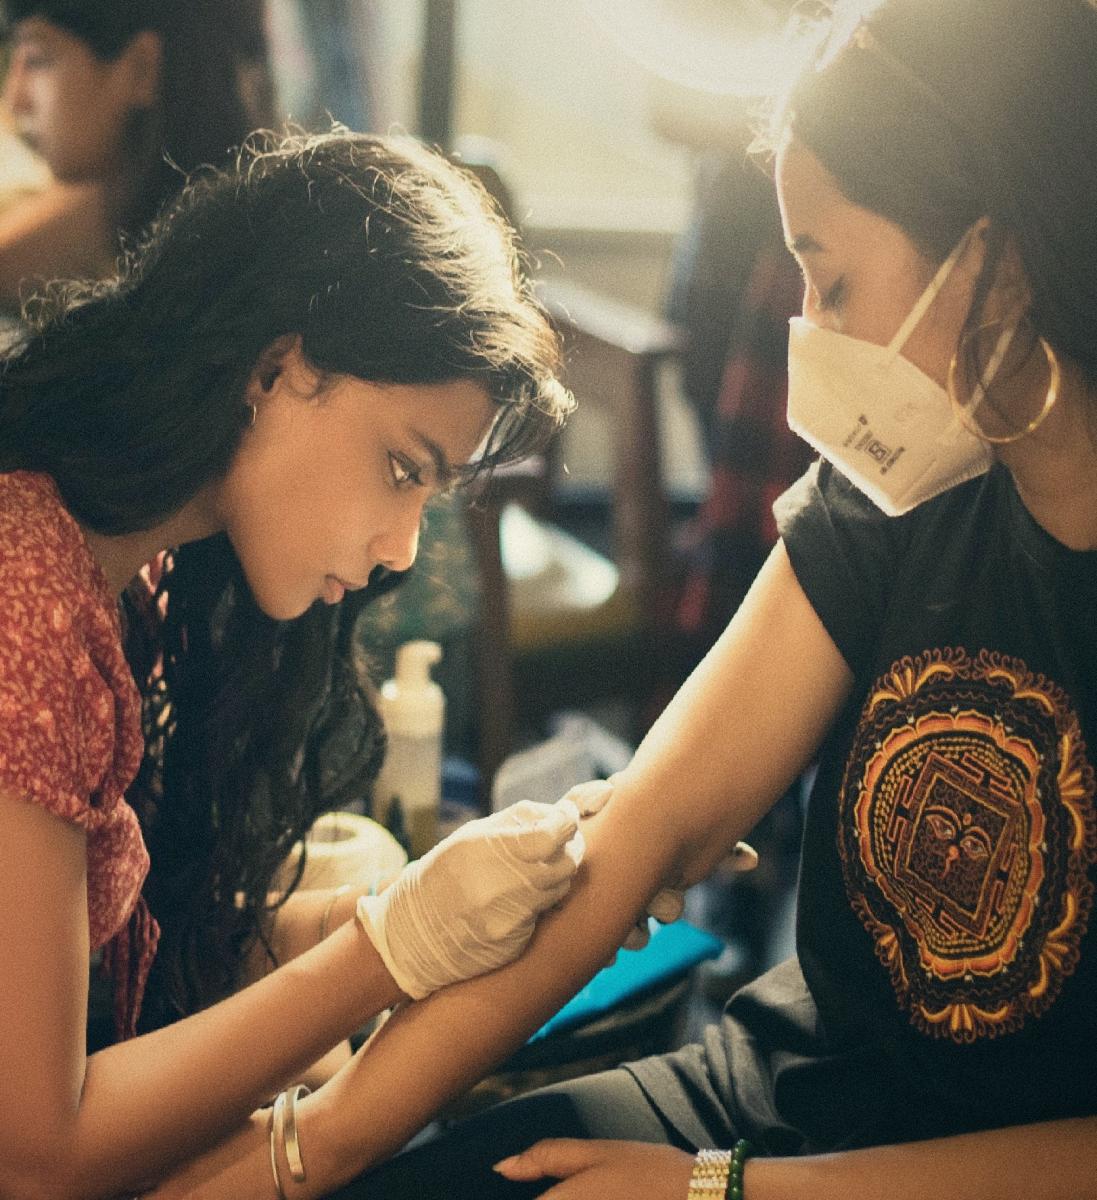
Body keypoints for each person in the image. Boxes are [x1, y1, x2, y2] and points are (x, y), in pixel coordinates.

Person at [144, 0, 1096, 1195]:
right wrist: (313, 1147)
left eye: (833, 282)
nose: (808, 335)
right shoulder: (893, 500)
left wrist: (732, 1193)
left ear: (997, 257)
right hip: (769, 1096)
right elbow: (644, 832)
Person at [0, 126, 615, 1198]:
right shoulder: (29, 598)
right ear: (274, 368)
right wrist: (392, 947)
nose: (402, 549)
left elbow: (151, 941)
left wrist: (414, 911)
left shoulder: (131, 572)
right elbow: (38, 1155)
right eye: (398, 469)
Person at [0, 0, 270, 311]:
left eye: (37, 59)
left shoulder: (226, 262)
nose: (14, 99)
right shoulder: (122, 197)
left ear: (141, 66)